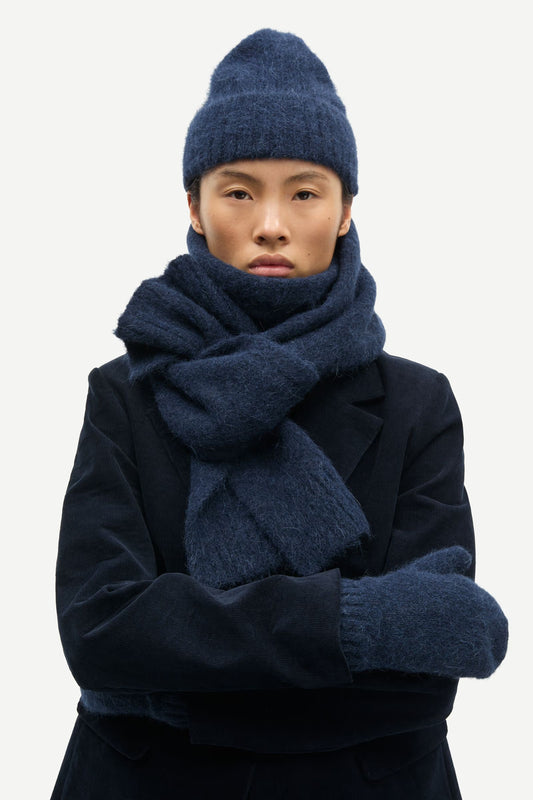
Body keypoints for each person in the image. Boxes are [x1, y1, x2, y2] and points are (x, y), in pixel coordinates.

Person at [51, 28, 508, 800]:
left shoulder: (417, 402)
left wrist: (170, 695)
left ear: (345, 210)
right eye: (238, 191)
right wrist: (360, 622)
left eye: (303, 192)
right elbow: (99, 632)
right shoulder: (123, 394)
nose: (270, 223)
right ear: (195, 207)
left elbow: (435, 659)